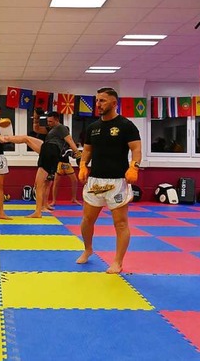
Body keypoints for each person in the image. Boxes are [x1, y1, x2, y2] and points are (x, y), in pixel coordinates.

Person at [76, 87, 142, 274]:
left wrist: (133, 167)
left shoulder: (126, 125)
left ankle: (117, 262)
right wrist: (82, 166)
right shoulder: (93, 128)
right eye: (97, 101)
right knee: (87, 220)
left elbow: (136, 149)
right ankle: (88, 249)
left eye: (102, 101)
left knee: (120, 223)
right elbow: (87, 150)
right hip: (95, 180)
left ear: (114, 103)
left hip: (117, 181)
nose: (98, 104)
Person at [0, 110, 79, 218]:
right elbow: (36, 129)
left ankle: (38, 212)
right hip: (49, 150)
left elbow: (70, 140)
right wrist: (36, 117)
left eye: (50, 121)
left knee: (39, 184)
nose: (48, 123)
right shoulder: (52, 130)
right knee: (26, 139)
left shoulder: (61, 128)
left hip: (50, 151)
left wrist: (79, 155)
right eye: (48, 121)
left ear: (56, 120)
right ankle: (5, 138)